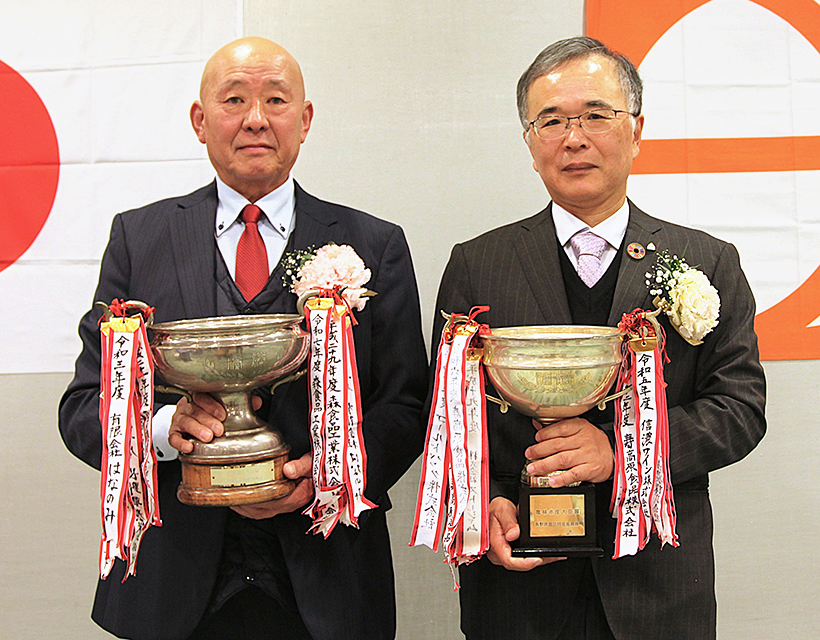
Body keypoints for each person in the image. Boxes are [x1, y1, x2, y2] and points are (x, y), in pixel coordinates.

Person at [59, 37, 428, 640]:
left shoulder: (373, 243)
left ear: (304, 121)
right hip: (171, 586)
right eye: (234, 100)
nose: (256, 119)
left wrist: (335, 475)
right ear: (200, 122)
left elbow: (407, 405)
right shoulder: (138, 238)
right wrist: (160, 430)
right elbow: (83, 406)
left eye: (276, 100)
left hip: (330, 581)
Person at [431, 36, 766, 640]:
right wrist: (482, 507)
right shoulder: (476, 264)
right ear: (530, 145)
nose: (574, 137)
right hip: (519, 589)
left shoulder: (707, 261)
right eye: (551, 120)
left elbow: (739, 409)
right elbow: (452, 421)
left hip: (658, 589)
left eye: (595, 116)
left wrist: (622, 453)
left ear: (636, 131)